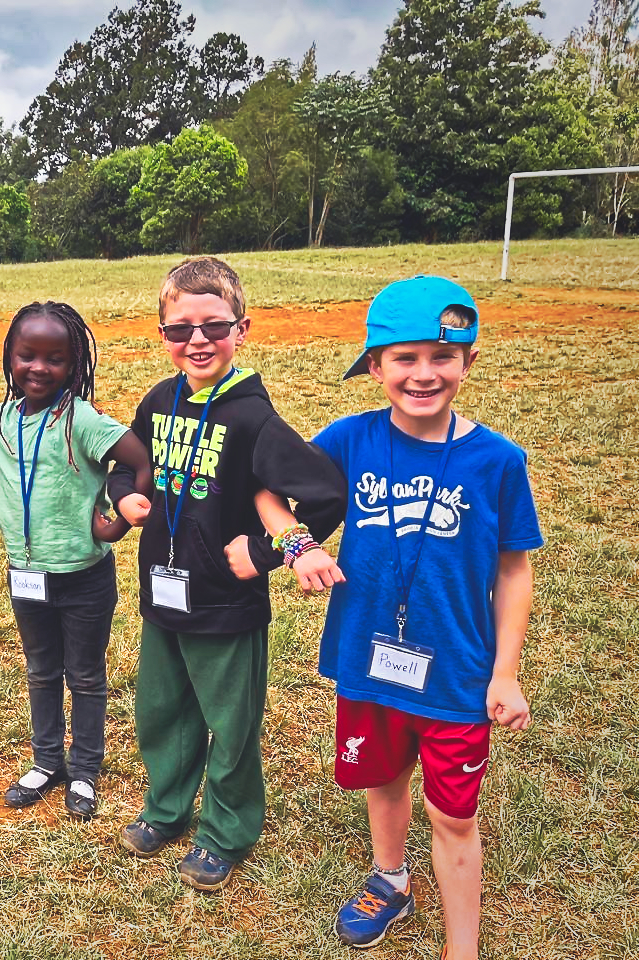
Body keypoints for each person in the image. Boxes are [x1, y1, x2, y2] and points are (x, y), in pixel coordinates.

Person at [253, 276, 541, 960]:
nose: (423, 373)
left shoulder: (499, 461)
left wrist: (505, 674)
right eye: (404, 358)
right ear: (375, 366)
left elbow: (513, 569)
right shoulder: (350, 439)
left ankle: (462, 947)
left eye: (443, 357)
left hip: (458, 675)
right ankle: (391, 880)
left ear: (468, 362)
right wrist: (297, 545)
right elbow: (268, 489)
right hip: (368, 657)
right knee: (383, 780)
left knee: (453, 814)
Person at [106, 256, 346, 891]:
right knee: (161, 711)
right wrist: (124, 496)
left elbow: (324, 493)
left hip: (225, 604)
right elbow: (127, 463)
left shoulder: (253, 418)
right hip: (162, 592)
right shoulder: (158, 401)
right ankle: (166, 810)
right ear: (162, 333)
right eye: (179, 329)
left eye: (214, 326)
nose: (198, 340)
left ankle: (225, 832)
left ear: (242, 328)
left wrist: (266, 553)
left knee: (230, 726)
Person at [0, 301, 152, 820]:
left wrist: (116, 523)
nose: (39, 368)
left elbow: (140, 460)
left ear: (73, 365)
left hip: (84, 577)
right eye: (28, 355)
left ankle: (84, 769)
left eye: (55, 359)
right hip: (25, 576)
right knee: (41, 670)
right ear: (10, 357)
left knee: (85, 675)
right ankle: (47, 761)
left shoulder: (81, 420)